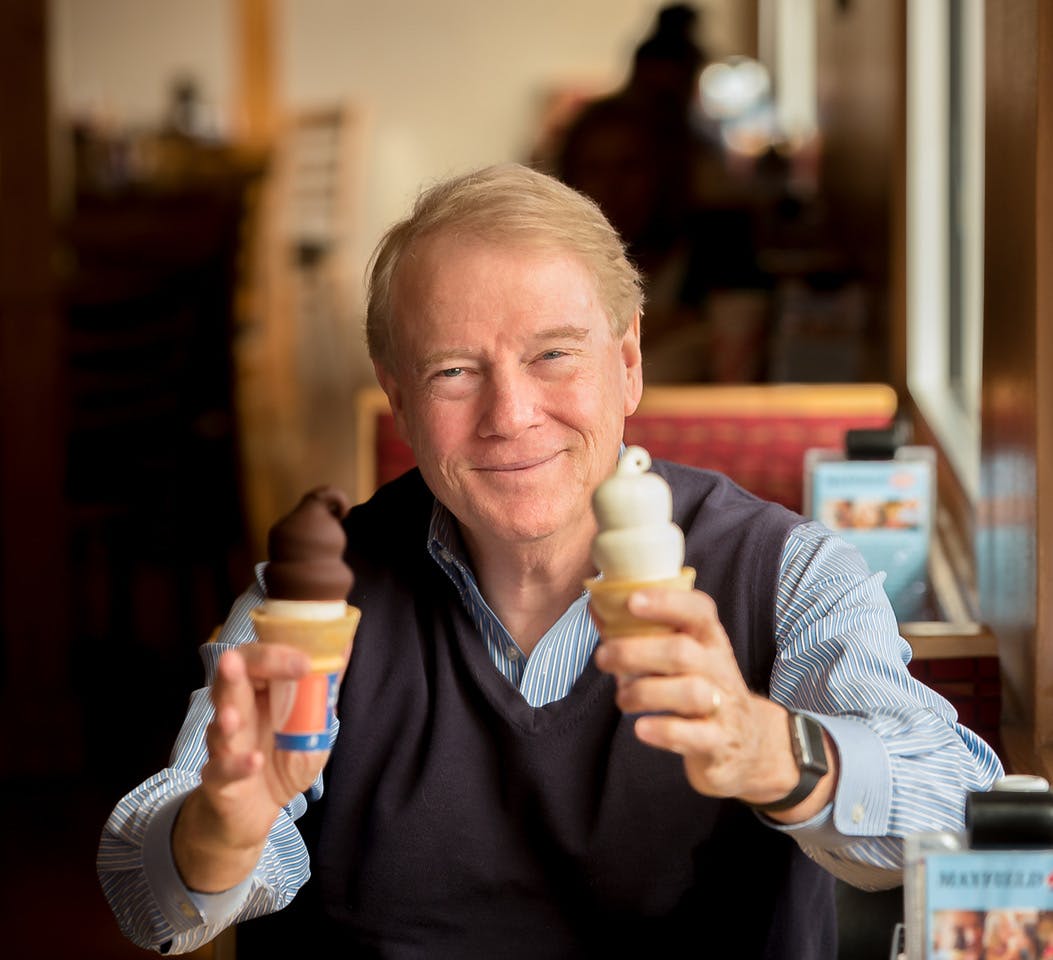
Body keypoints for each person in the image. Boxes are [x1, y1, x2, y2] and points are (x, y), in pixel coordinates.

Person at [98, 162, 1003, 957]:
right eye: (455, 370)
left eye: (553, 355)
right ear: (397, 395)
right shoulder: (315, 598)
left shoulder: (787, 574)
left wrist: (767, 750)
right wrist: (226, 825)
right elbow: (151, 901)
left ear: (628, 360)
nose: (511, 414)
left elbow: (964, 821)